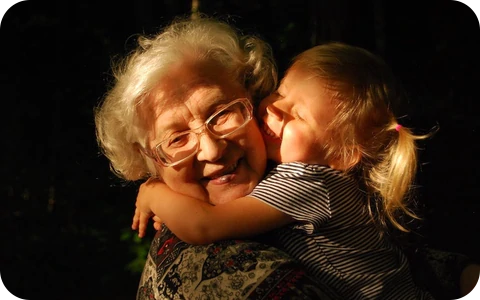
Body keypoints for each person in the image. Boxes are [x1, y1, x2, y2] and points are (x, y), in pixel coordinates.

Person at [132, 41, 438, 299]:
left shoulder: (308, 182)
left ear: (343, 155)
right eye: (280, 93)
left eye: (299, 116)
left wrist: (153, 192)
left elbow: (203, 226)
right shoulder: (307, 176)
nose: (274, 109)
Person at [94, 14, 341, 299]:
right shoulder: (217, 269)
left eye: (222, 113)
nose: (212, 149)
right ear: (151, 163)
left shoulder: (308, 169)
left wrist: (154, 193)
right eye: (177, 138)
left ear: (253, 98)